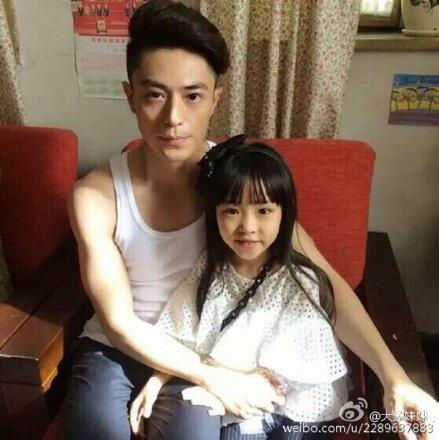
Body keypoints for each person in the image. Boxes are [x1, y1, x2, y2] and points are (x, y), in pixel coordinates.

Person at [64, 1, 439, 439]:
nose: (174, 118)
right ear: (130, 95)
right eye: (155, 95)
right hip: (115, 350)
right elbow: (118, 323)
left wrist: (394, 377)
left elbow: (321, 282)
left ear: (215, 99)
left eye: (192, 96)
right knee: (92, 428)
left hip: (203, 345)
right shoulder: (95, 195)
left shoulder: (238, 182)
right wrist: (214, 376)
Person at [134, 136, 348, 439]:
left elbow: (278, 380)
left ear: (284, 214)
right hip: (233, 395)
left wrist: (216, 389)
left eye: (263, 211)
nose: (247, 226)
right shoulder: (211, 268)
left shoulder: (300, 282)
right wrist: (158, 380)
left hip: (290, 411)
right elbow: (181, 334)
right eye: (232, 211)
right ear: (215, 214)